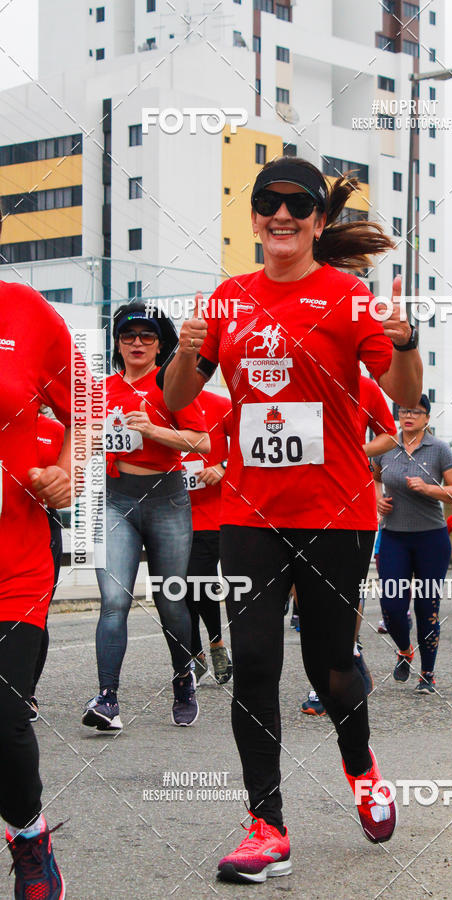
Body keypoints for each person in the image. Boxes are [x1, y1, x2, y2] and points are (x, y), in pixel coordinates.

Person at [163, 156, 422, 883]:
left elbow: (402, 393)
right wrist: (185, 354)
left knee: (330, 663)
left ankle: (362, 766)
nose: (282, 215)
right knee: (254, 664)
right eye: (268, 203)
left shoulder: (349, 298)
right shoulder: (226, 301)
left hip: (336, 513)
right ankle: (266, 825)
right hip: (249, 514)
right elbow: (182, 397)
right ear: (252, 218)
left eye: (298, 205)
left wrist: (403, 342)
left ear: (318, 221)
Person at [82, 301, 210, 731]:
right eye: (128, 336)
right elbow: (78, 440)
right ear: (117, 343)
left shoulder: (171, 384)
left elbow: (202, 442)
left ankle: (182, 680)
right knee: (114, 600)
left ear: (160, 344)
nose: (137, 343)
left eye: (147, 336)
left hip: (166, 499)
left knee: (170, 599)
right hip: (115, 499)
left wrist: (154, 431)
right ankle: (107, 699)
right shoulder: (99, 390)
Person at [1, 265, 74, 897]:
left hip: (14, 564)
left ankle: (29, 837)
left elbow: (89, 402)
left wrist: (68, 471)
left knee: (2, 716)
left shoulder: (23, 311)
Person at [301, 374, 397, 716]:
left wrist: (355, 449)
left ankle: (344, 656)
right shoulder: (296, 379)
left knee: (342, 593)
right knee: (308, 595)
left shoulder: (365, 387)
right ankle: (333, 665)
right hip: (299, 500)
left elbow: (389, 435)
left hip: (347, 504)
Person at [373, 395, 452, 693]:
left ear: (427, 418)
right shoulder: (386, 444)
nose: (408, 415)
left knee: (428, 607)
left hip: (430, 538)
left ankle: (427, 673)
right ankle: (404, 649)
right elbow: (372, 477)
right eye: (403, 410)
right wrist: (377, 500)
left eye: (416, 411)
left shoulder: (439, 449)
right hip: (393, 536)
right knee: (391, 608)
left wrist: (429, 488)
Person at [182, 388, 233, 684]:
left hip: (211, 513)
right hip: (170, 513)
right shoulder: (161, 404)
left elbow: (248, 439)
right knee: (176, 589)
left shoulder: (219, 404)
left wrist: (223, 466)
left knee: (199, 580)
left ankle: (215, 644)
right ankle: (194, 652)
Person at [29, 411, 66, 721]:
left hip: (42, 527)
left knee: (35, 615)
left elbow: (69, 488)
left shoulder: (56, 429)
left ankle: (26, 691)